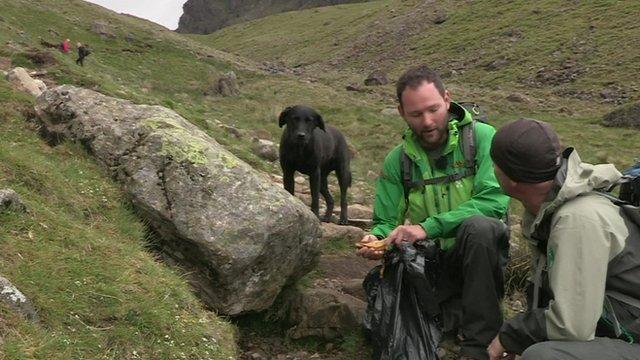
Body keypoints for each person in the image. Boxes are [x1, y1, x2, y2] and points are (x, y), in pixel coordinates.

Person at [357, 65, 510, 360]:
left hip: (481, 257)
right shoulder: (397, 161)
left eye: (433, 109)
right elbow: (384, 221)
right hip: (433, 263)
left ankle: (479, 345)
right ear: (401, 112)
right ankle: (448, 318)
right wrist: (374, 239)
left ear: (448, 100)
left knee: (479, 228)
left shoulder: (481, 138)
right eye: (415, 114)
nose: (427, 121)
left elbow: (493, 201)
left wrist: (427, 227)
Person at [486, 119, 640, 360]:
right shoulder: (547, 209)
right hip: (622, 328)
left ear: (511, 178)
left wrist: (511, 335)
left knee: (544, 357)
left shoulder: (576, 220)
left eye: (495, 164)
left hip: (632, 336)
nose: (492, 169)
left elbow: (572, 326)